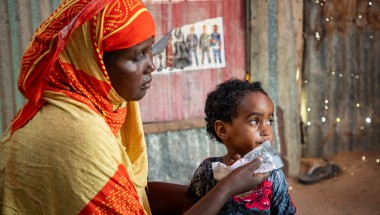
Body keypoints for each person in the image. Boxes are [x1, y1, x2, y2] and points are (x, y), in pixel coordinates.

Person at [0, 1, 269, 214]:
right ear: (96, 62)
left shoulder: (102, 106)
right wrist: (225, 189)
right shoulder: (77, 136)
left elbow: (129, 193)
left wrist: (206, 191)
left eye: (150, 50)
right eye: (137, 56)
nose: (151, 65)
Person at [185, 79, 297, 214]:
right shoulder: (208, 170)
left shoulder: (272, 174)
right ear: (222, 130)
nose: (266, 131)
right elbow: (192, 209)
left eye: (269, 121)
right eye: (255, 121)